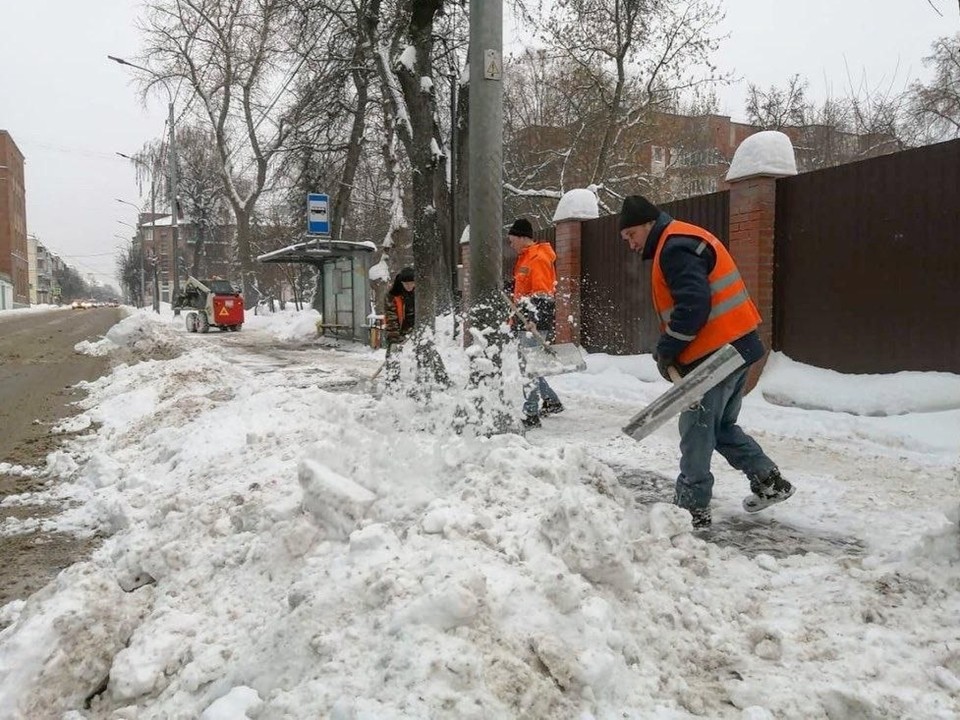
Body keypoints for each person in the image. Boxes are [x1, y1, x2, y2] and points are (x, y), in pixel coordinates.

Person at [619, 194, 794, 529]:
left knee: (697, 434)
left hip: (717, 358)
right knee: (721, 428)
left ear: (646, 223)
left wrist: (668, 348)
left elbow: (693, 306)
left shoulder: (674, 247)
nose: (630, 243)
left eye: (630, 235)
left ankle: (690, 511)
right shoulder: (683, 237)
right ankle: (770, 481)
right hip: (736, 349)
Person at [507, 218, 564, 429]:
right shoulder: (524, 258)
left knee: (528, 368)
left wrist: (534, 321)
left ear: (523, 238)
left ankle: (531, 414)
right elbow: (523, 289)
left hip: (532, 323)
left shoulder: (538, 258)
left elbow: (543, 295)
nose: (510, 243)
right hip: (524, 320)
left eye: (512, 239)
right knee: (532, 366)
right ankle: (552, 401)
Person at [383, 267, 415, 385]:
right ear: (401, 282)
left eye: (412, 283)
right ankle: (392, 383)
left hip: (414, 331)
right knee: (393, 356)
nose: (409, 286)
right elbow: (391, 317)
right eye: (406, 283)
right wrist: (394, 337)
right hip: (398, 331)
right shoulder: (393, 294)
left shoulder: (419, 292)